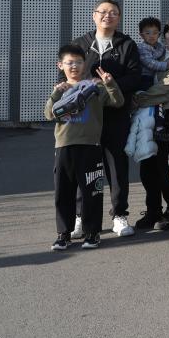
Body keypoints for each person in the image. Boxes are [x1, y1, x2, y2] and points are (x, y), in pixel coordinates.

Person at [70, 0, 141, 240]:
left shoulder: (126, 45)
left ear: (118, 18)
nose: (107, 16)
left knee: (116, 166)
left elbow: (135, 78)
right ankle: (81, 217)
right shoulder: (80, 44)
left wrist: (110, 84)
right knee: (84, 167)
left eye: (113, 13)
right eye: (102, 12)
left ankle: (119, 215)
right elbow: (68, 73)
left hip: (116, 114)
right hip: (86, 117)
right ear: (94, 15)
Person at [46, 45, 122, 251]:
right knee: (63, 192)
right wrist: (55, 94)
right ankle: (63, 234)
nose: (74, 66)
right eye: (69, 63)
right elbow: (49, 114)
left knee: (92, 192)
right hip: (64, 146)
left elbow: (118, 101)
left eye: (79, 62)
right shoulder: (60, 89)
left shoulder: (94, 87)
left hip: (90, 146)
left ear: (84, 64)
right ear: (60, 65)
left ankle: (92, 233)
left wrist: (109, 83)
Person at [129, 15, 169, 231]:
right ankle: (152, 210)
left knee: (166, 169)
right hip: (147, 117)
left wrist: (140, 98)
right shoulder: (156, 51)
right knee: (147, 168)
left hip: (168, 119)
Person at [136, 17, 169, 90]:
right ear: (141, 35)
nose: (151, 36)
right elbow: (149, 63)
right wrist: (166, 65)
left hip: (156, 75)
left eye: (155, 33)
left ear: (159, 34)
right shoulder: (142, 48)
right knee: (146, 89)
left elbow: (167, 50)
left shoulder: (160, 46)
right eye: (147, 33)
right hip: (145, 77)